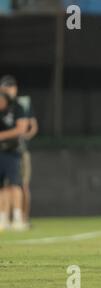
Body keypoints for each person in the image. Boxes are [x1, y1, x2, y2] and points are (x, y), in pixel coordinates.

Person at [0, 75, 38, 228]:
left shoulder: (21, 104)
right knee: (4, 186)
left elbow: (31, 127)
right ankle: (5, 218)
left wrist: (20, 136)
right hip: (3, 151)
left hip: (17, 149)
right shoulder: (2, 106)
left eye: (9, 87)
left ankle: (21, 217)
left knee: (21, 184)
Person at [0, 92, 28, 231]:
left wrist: (2, 136)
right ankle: (2, 218)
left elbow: (21, 129)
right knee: (2, 187)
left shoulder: (17, 107)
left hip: (12, 152)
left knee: (15, 184)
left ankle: (17, 218)